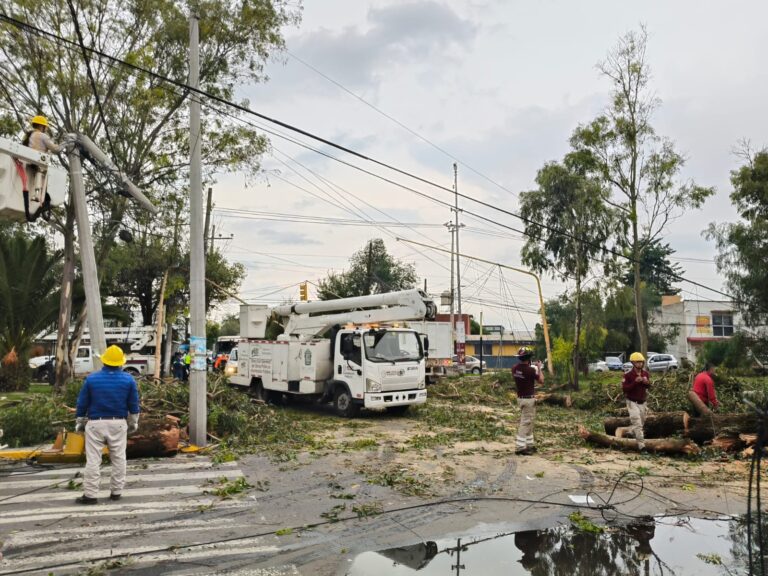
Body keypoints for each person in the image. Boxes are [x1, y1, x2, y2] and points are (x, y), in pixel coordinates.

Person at [74, 345, 140, 505]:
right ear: (120, 363)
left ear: (104, 360)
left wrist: (80, 422)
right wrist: (133, 423)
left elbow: (82, 403)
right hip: (118, 423)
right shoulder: (128, 379)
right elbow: (134, 405)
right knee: (118, 458)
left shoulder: (91, 379)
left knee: (93, 460)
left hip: (95, 423)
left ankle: (90, 495)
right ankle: (116, 492)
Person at [512, 347, 544, 455]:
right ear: (529, 358)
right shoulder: (530, 370)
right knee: (526, 423)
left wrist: (531, 366)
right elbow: (541, 381)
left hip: (520, 399)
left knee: (529, 421)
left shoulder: (515, 368)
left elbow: (524, 372)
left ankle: (530, 445)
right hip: (528, 400)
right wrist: (539, 368)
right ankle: (520, 447)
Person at [622, 352, 651, 450]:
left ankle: (630, 433)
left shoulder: (646, 374)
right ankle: (642, 446)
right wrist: (635, 382)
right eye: (638, 362)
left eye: (641, 362)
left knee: (641, 423)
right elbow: (625, 389)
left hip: (643, 402)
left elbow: (648, 386)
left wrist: (646, 382)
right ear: (633, 363)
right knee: (637, 423)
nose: (640, 364)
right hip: (632, 402)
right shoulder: (628, 375)